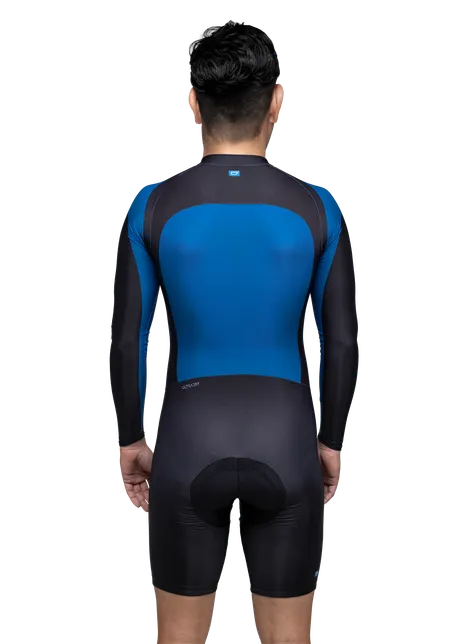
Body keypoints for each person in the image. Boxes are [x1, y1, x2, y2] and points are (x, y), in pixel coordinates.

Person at [109, 20, 359, 644]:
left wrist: (132, 440)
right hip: (288, 441)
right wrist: (330, 442)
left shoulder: (153, 205)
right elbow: (341, 343)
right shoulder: (318, 206)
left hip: (187, 442)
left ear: (191, 103)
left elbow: (128, 340)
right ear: (278, 100)